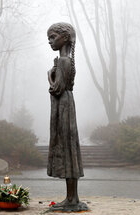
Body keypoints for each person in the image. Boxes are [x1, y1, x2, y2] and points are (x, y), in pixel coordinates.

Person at [46, 22, 88, 212]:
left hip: (63, 105)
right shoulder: (67, 59)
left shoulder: (63, 61)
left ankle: (72, 199)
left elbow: (56, 89)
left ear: (65, 38)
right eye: (49, 38)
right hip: (66, 104)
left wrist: (50, 75)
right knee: (69, 148)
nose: (50, 41)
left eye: (53, 37)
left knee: (66, 147)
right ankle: (72, 197)